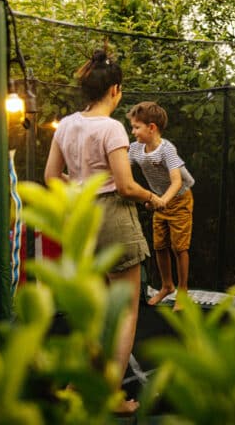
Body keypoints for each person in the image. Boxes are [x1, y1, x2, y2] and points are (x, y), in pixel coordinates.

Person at [44, 49, 163, 415]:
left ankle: (79, 380)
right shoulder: (111, 128)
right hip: (113, 217)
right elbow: (125, 186)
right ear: (114, 89)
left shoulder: (66, 125)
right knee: (125, 312)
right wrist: (151, 198)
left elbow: (50, 178)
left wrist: (80, 189)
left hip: (81, 221)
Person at [127, 101, 195, 312]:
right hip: (158, 199)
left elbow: (176, 181)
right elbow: (123, 173)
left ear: (152, 127)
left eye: (136, 127)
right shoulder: (135, 149)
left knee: (179, 247)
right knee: (159, 245)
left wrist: (163, 200)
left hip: (179, 198)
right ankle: (167, 285)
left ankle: (182, 292)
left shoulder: (167, 150)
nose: (133, 131)